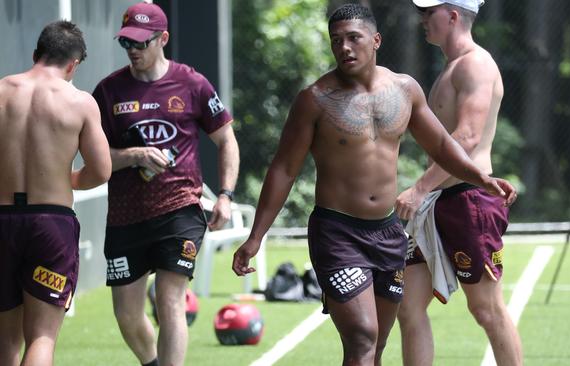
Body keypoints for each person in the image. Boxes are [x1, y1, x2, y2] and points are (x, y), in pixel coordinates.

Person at [232, 4, 516, 365]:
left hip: (387, 234)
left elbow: (443, 145)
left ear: (376, 40)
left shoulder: (404, 90)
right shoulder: (314, 100)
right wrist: (256, 237)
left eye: (354, 38)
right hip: (337, 234)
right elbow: (284, 170)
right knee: (362, 338)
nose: (345, 47)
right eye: (337, 41)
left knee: (377, 344)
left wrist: (482, 179)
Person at [92, 2, 239, 365]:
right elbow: (95, 160)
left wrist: (224, 195)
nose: (134, 50)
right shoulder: (108, 92)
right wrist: (134, 156)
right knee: (126, 313)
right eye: (127, 43)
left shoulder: (192, 84)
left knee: (169, 298)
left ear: (163, 39)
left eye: (142, 42)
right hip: (125, 217)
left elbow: (227, 141)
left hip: (180, 209)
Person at [396, 1, 523, 365]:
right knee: (408, 307)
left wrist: (418, 188)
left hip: (467, 202)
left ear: (452, 16)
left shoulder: (475, 64)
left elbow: (467, 136)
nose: (422, 19)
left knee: (486, 309)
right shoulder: (450, 67)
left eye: (429, 11)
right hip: (437, 201)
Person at [0, 20, 112, 366]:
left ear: (36, 54)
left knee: (5, 341)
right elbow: (102, 170)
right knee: (42, 337)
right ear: (73, 64)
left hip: (2, 221)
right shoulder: (79, 102)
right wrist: (68, 181)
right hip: (51, 225)